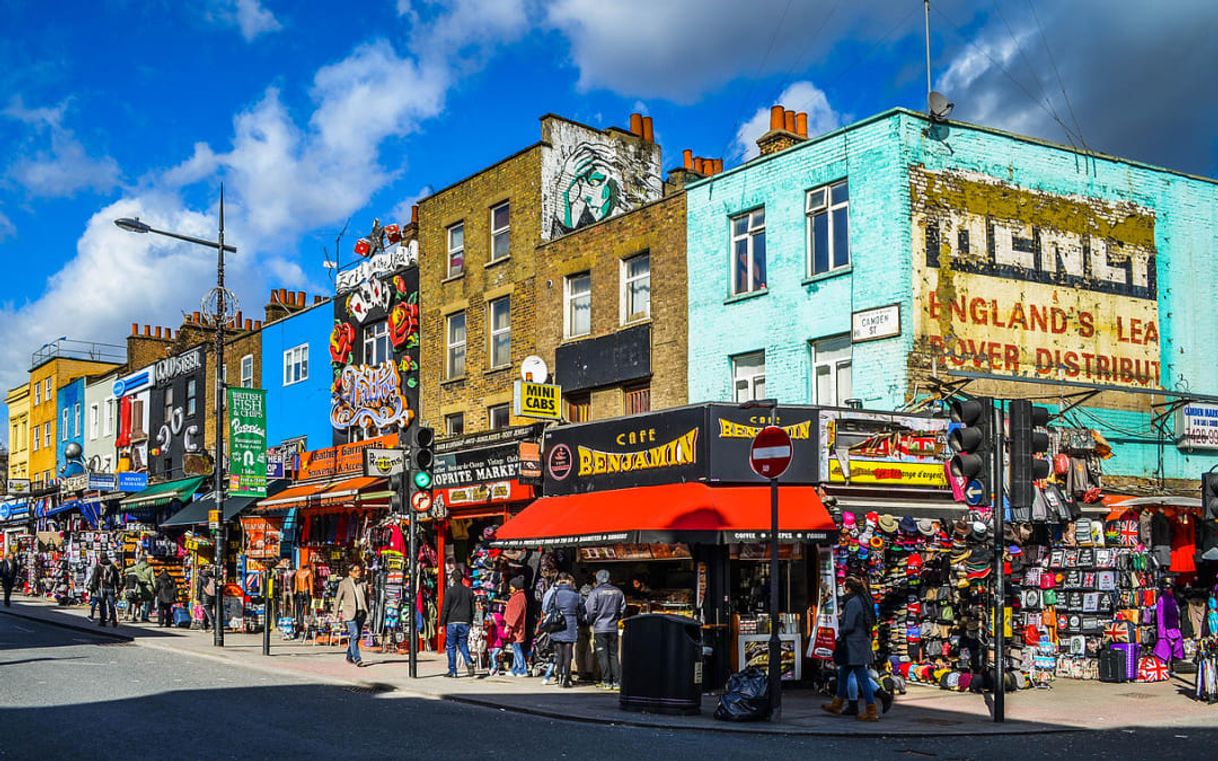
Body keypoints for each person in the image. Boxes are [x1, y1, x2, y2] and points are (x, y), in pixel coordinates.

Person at [822, 576, 880, 721]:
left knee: (862, 678)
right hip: (858, 644)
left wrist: (840, 628)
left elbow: (849, 625)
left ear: (849, 588)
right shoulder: (862, 600)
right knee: (843, 674)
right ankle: (837, 703)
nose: (843, 590)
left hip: (854, 645)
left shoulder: (853, 602)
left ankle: (871, 710)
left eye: (844, 587)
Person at [585, 569, 626, 690]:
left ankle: (606, 681)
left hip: (600, 628)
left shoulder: (595, 592)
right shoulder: (618, 592)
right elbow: (623, 609)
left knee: (603, 655)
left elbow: (590, 610)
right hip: (613, 627)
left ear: (597, 579)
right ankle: (617, 682)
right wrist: (616, 618)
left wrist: (591, 620)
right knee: (613, 654)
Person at [543, 572, 583, 688]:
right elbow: (581, 609)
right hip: (570, 623)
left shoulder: (555, 593)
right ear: (568, 581)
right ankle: (567, 677)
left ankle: (559, 676)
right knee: (568, 652)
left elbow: (547, 608)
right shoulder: (575, 594)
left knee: (559, 651)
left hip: (558, 623)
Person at [440, 568, 475, 677]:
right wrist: (471, 621)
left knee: (451, 647)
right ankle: (468, 661)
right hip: (465, 622)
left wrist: (441, 624)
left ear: (453, 579)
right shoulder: (469, 591)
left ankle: (453, 671)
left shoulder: (450, 591)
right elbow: (473, 609)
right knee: (463, 644)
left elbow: (445, 608)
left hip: (452, 621)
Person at [334, 563, 369, 667]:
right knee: (354, 634)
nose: (358, 573)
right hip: (349, 613)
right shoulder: (344, 583)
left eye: (359, 570)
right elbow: (338, 599)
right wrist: (335, 613)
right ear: (350, 572)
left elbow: (366, 597)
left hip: (361, 612)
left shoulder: (363, 583)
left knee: (356, 637)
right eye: (356, 571)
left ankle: (349, 656)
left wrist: (368, 611)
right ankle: (357, 659)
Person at [505, 575, 528, 677]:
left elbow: (516, 613)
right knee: (516, 648)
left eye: (511, 586)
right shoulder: (518, 597)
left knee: (517, 648)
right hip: (516, 627)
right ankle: (515, 669)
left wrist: (509, 625)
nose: (510, 588)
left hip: (516, 628)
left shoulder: (518, 598)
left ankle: (523, 669)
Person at [87, 554, 120, 627]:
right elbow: (117, 578)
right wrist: (117, 587)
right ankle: (114, 619)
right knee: (112, 604)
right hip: (111, 588)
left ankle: (103, 620)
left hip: (101, 588)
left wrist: (95, 588)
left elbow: (94, 578)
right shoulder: (112, 567)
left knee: (102, 605)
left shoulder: (98, 567)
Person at [132, 556, 156, 622]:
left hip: (140, 587)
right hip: (148, 587)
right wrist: (155, 587)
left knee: (141, 602)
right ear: (146, 560)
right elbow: (153, 579)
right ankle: (145, 616)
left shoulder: (136, 567)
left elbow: (126, 570)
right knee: (148, 602)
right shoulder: (150, 568)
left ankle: (141, 615)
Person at [199, 564, 218, 631]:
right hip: (213, 596)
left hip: (205, 597)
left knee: (208, 612)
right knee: (207, 612)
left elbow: (199, 588)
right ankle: (204, 626)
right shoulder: (213, 577)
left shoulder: (201, 577)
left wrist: (198, 598)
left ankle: (213, 626)